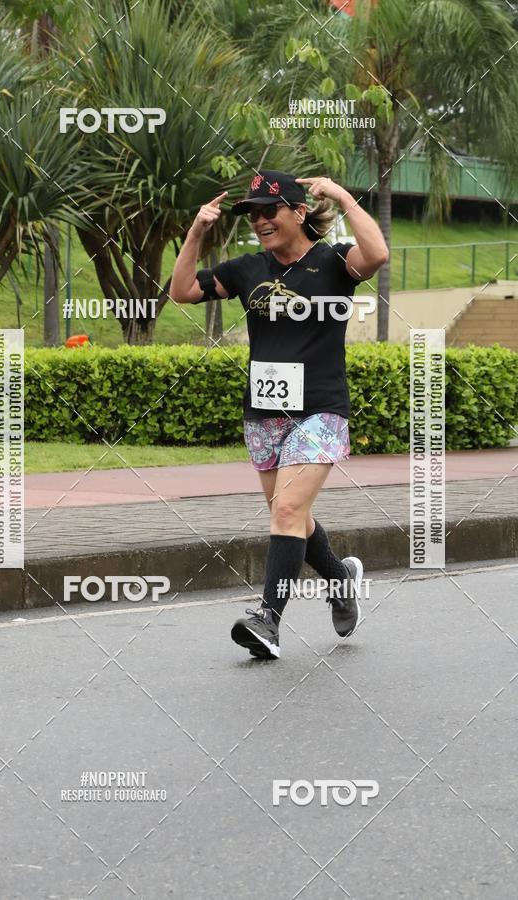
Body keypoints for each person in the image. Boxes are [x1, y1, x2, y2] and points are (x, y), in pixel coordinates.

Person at [170, 170, 388, 660]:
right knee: (291, 515)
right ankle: (340, 578)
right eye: (252, 214)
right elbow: (181, 291)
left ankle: (267, 620)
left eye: (270, 211)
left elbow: (376, 255)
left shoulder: (333, 263)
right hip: (264, 413)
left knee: (287, 510)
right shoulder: (249, 268)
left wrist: (343, 196)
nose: (261, 221)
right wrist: (195, 234)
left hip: (322, 410)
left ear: (298, 211)